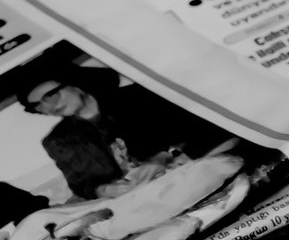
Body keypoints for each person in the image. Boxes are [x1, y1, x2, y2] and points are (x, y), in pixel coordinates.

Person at [14, 64, 227, 200]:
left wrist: (167, 156)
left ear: (73, 82)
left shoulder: (139, 97)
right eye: (38, 105)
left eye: (50, 95)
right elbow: (81, 184)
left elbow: (205, 129)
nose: (48, 106)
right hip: (145, 201)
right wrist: (103, 190)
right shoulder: (58, 140)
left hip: (204, 175)